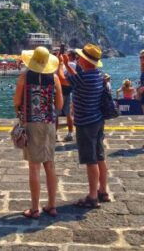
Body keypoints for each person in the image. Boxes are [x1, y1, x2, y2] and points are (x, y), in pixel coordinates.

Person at [58, 43, 109, 208]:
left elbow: (63, 79)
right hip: (98, 120)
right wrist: (67, 64)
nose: (78, 58)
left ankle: (92, 197)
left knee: (91, 160)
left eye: (81, 57)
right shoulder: (97, 75)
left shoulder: (83, 77)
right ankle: (103, 191)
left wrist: (59, 64)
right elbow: (75, 79)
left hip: (85, 123)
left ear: (85, 61)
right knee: (100, 156)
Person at [15, 46, 63, 219]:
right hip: (49, 124)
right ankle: (52, 205)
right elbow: (59, 105)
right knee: (50, 165)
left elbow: (17, 101)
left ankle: (35, 209)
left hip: (31, 124)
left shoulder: (24, 77)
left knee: (34, 167)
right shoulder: (55, 78)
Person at [58, 50, 77, 142]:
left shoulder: (72, 64)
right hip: (65, 91)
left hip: (63, 91)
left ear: (71, 56)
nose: (66, 56)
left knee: (58, 114)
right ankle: (69, 133)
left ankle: (66, 133)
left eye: (68, 55)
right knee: (67, 114)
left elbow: (61, 77)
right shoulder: (69, 65)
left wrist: (61, 63)